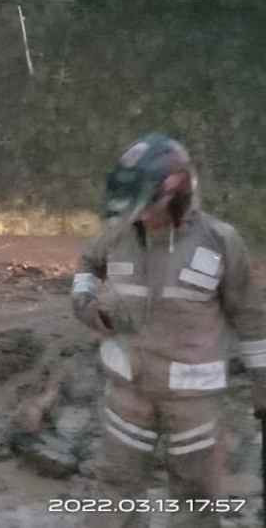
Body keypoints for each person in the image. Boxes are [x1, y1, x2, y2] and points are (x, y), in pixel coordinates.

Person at [71, 134, 266, 528]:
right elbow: (87, 266)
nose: (138, 215)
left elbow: (251, 318)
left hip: (193, 405)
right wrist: (86, 304)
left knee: (196, 505)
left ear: (176, 190)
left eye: (145, 205)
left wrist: (263, 384)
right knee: (113, 497)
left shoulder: (220, 242)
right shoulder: (119, 232)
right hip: (127, 397)